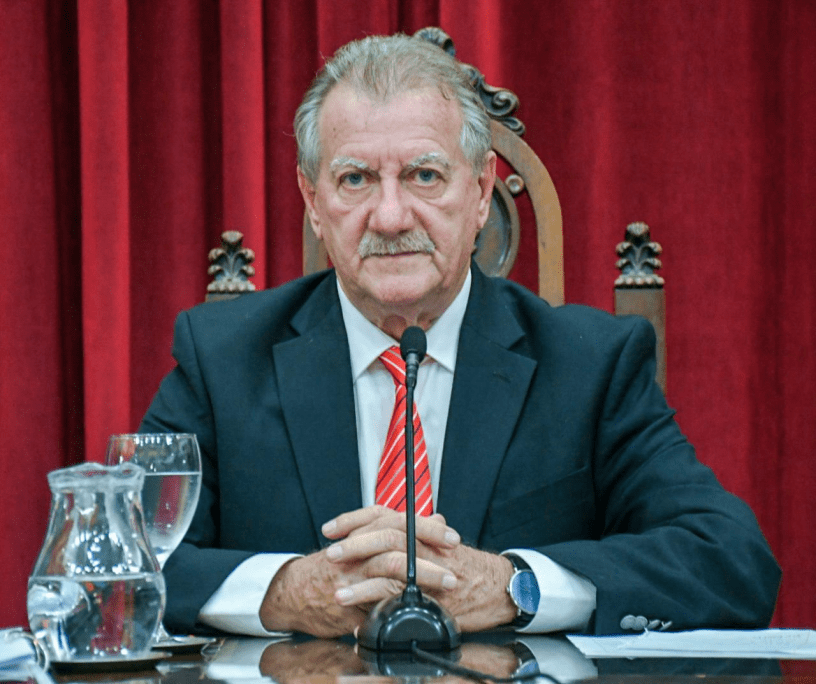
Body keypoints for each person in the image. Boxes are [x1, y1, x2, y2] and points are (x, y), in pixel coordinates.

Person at [141, 33, 780, 638]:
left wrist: (514, 587)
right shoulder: (221, 359)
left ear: (479, 192)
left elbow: (730, 560)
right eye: (355, 179)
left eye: (424, 175)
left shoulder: (590, 365)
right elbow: (120, 558)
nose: (390, 217)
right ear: (313, 201)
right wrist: (283, 592)